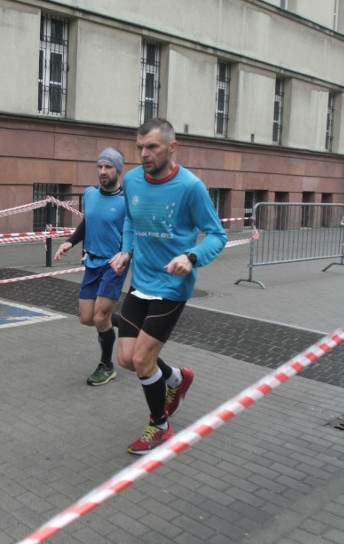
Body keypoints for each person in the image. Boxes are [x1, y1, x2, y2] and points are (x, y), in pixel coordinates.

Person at [109, 118, 227, 455]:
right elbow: (131, 219)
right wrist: (126, 251)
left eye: (152, 148)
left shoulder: (190, 187)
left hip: (172, 287)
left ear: (172, 147)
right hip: (140, 282)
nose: (144, 154)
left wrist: (191, 256)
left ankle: (160, 426)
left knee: (144, 361)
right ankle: (177, 378)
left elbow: (217, 235)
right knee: (127, 359)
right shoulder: (131, 180)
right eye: (140, 148)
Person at [54, 148, 128, 386]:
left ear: (118, 170)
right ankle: (127, 321)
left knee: (99, 317)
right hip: (92, 262)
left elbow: (133, 234)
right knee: (86, 318)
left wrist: (126, 255)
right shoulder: (90, 194)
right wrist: (69, 242)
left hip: (114, 264)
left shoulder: (127, 201)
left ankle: (107, 365)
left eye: (108, 167)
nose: (103, 172)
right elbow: (88, 222)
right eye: (100, 167)